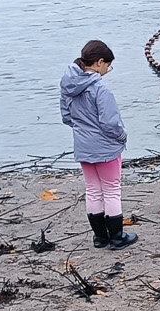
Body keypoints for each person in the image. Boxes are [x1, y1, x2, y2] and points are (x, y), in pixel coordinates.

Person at [58, 40, 136, 250]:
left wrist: (83, 129)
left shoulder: (68, 86)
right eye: (108, 65)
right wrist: (122, 137)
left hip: (83, 145)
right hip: (105, 146)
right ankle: (117, 237)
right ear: (99, 62)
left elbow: (66, 117)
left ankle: (100, 237)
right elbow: (110, 123)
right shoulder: (100, 88)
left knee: (93, 190)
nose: (108, 70)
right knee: (111, 190)